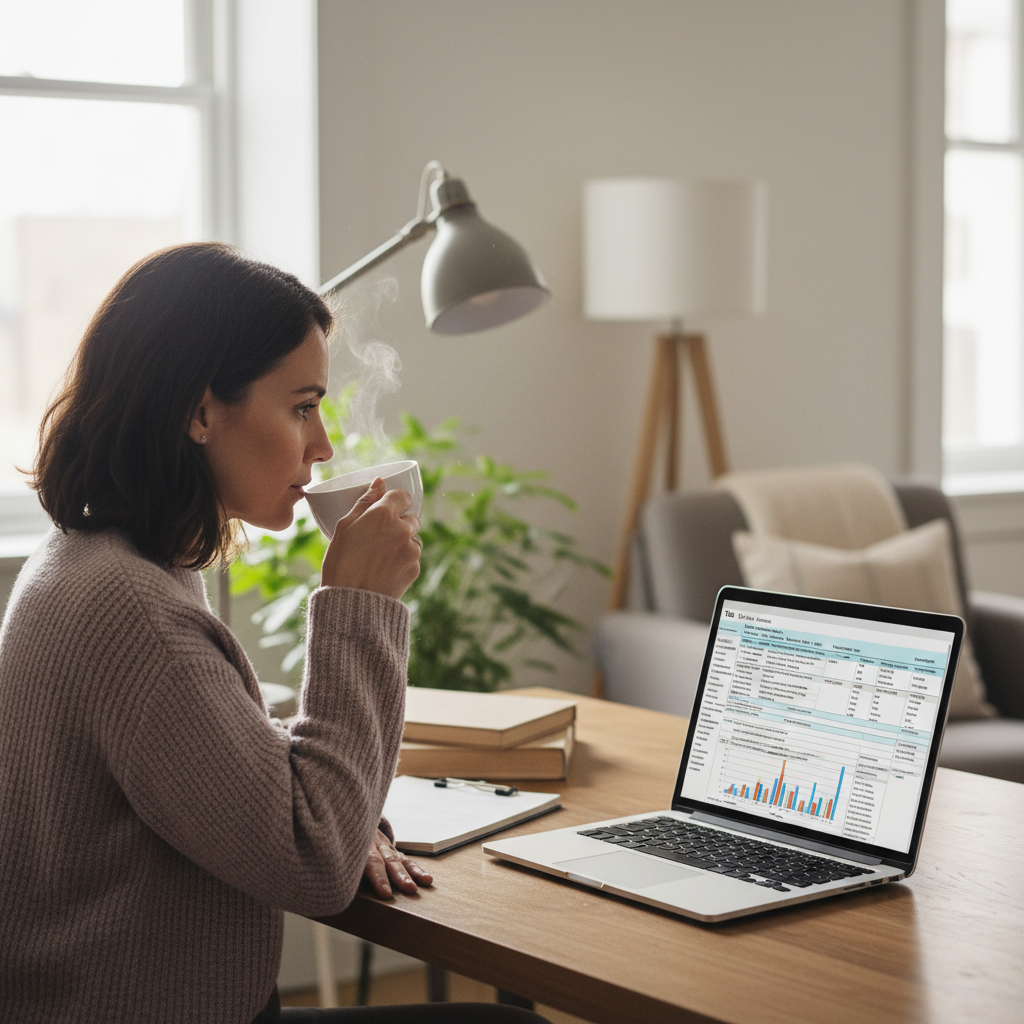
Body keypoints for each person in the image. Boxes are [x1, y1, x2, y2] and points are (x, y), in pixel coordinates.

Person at [0, 243, 549, 1024]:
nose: (322, 445)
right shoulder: (132, 611)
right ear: (198, 411)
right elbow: (315, 862)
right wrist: (358, 605)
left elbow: (228, 759)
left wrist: (334, 815)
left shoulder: (97, 561)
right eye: (301, 406)